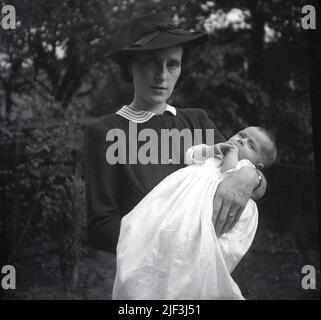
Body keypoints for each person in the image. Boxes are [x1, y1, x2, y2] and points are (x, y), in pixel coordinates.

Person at [84, 13, 267, 262]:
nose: (162, 75)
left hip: (207, 268)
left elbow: (252, 179)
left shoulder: (197, 122)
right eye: (150, 62)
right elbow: (100, 228)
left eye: (172, 64)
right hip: (149, 274)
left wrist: (249, 176)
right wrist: (175, 247)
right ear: (130, 66)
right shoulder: (107, 132)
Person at [112, 126, 277, 299]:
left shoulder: (244, 167)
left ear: (259, 165)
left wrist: (234, 156)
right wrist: (212, 149)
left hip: (200, 209)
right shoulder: (216, 152)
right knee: (150, 239)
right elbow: (191, 155)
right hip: (177, 200)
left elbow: (227, 174)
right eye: (241, 136)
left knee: (190, 256)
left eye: (251, 146)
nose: (242, 141)